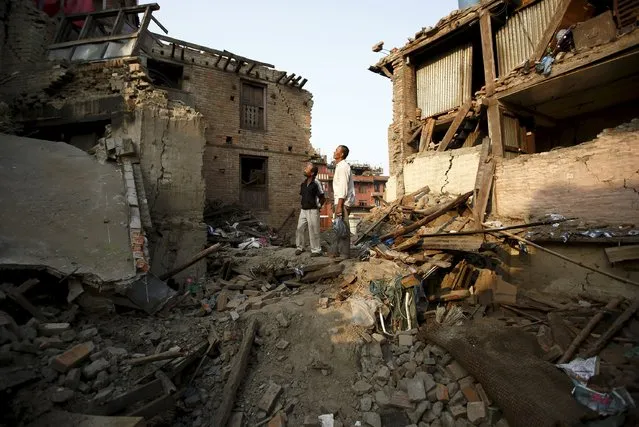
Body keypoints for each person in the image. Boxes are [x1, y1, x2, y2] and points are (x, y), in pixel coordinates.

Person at [330, 145, 355, 259]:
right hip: (339, 201)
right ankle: (335, 252)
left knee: (343, 227)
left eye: (336, 150)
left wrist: (339, 205)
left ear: (342, 154)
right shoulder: (339, 166)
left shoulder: (344, 167)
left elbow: (343, 188)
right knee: (337, 227)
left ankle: (344, 253)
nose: (334, 152)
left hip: (343, 202)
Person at [295, 163, 325, 257]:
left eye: (307, 169)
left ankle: (316, 250)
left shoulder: (317, 183)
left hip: (313, 210)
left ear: (312, 173)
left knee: (313, 230)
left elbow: (322, 196)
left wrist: (318, 206)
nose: (305, 170)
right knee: (299, 228)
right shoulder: (303, 183)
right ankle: (300, 247)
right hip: (303, 210)